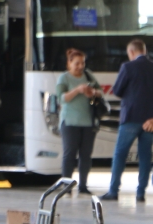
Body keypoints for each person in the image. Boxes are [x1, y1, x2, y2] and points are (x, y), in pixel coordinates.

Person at [101, 39, 153, 201]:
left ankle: (114, 191)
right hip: (149, 122)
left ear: (131, 52)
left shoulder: (127, 67)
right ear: (143, 51)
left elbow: (117, 90)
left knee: (120, 154)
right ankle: (140, 193)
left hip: (130, 117)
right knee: (145, 156)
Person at [56, 49, 102, 195]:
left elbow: (100, 92)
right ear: (69, 63)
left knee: (86, 155)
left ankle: (83, 185)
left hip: (88, 122)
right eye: (77, 63)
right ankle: (66, 185)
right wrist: (77, 90)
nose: (80, 66)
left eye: (82, 63)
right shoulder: (64, 78)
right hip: (69, 122)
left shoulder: (88, 75)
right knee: (69, 154)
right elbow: (61, 98)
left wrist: (92, 92)